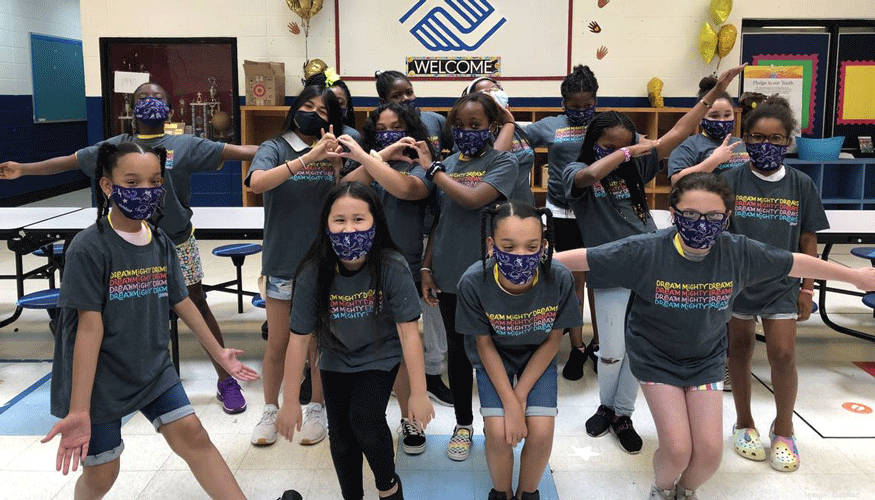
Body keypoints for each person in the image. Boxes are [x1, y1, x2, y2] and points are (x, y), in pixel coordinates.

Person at [555, 172, 875, 500]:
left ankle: (685, 491)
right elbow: (586, 258)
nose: (701, 224)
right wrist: (537, 263)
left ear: (728, 219)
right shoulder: (649, 249)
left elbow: (795, 263)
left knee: (709, 455)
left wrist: (854, 277)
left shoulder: (738, 252)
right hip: (654, 355)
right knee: (678, 449)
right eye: (690, 215)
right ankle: (661, 490)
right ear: (673, 214)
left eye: (713, 217)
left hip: (705, 358)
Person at [0, 82, 257, 414]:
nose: (151, 102)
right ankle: (127, 383)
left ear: (170, 107)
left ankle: (226, 381)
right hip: (124, 245)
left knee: (196, 305)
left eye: (158, 97)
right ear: (131, 108)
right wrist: (23, 170)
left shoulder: (185, 144)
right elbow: (67, 161)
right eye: (143, 98)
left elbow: (240, 152)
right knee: (121, 312)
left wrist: (291, 154)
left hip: (176, 242)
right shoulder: (113, 147)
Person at [42, 142, 258, 500]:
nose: (145, 191)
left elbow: (182, 300)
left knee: (194, 435)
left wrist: (219, 353)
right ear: (108, 186)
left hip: (152, 367)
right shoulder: (87, 248)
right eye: (132, 181)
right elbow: (88, 328)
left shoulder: (159, 239)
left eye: (154, 181)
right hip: (99, 381)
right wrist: (79, 409)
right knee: (102, 474)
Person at [560, 64, 746, 455]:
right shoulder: (576, 170)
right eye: (608, 146)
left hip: (651, 265)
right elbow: (590, 173)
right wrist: (630, 148)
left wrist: (716, 90)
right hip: (610, 270)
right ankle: (606, 406)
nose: (616, 154)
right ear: (594, 142)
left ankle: (620, 412)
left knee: (638, 348)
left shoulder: (635, 168)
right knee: (611, 350)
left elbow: (678, 132)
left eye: (622, 146)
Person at [275, 182, 434, 500]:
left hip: (380, 354)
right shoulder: (312, 271)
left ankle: (389, 488)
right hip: (335, 357)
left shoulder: (391, 266)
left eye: (359, 219)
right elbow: (298, 340)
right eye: (340, 220)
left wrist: (418, 392)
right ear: (326, 224)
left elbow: (408, 333)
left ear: (376, 221)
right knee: (342, 437)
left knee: (364, 418)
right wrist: (291, 400)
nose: (349, 230)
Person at [336, 101, 452, 455]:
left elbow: (404, 189)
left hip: (403, 268)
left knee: (404, 345)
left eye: (396, 126)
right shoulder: (373, 164)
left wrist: (370, 157)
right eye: (382, 127)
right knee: (382, 348)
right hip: (362, 268)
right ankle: (386, 414)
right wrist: (377, 157)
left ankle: (411, 420)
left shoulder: (422, 167)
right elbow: (341, 187)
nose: (390, 132)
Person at [724, 95, 829, 472]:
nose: (765, 145)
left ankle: (784, 429)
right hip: (737, 284)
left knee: (783, 355)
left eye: (775, 139)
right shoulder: (730, 179)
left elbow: (808, 241)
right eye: (756, 137)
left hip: (783, 284)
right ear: (745, 139)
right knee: (739, 350)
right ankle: (743, 422)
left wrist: (807, 288)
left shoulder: (801, 184)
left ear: (788, 142)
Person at [456, 201, 582, 500]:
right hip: (495, 359)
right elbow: (483, 345)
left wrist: (519, 397)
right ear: (491, 245)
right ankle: (501, 493)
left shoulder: (560, 278)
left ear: (544, 245)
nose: (520, 257)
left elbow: (553, 341)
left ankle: (528, 493)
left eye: (531, 247)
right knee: (498, 433)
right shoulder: (474, 282)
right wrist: (510, 406)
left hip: (538, 357)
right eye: (508, 247)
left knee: (540, 432)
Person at [420, 92, 518, 461]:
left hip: (490, 276)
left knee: (495, 350)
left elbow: (474, 199)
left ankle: (502, 417)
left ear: (492, 128)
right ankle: (463, 424)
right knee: (459, 355)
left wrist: (434, 172)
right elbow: (441, 220)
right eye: (458, 126)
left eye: (475, 125)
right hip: (448, 274)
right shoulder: (446, 163)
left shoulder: (504, 161)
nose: (466, 132)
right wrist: (428, 268)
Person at [246, 85, 344, 447]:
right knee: (280, 341)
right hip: (282, 262)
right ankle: (270, 409)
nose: (314, 114)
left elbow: (337, 202)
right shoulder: (275, 147)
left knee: (318, 341)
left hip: (320, 263)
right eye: (308, 106)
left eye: (323, 111)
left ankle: (316, 407)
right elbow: (256, 183)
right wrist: (308, 157)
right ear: (294, 109)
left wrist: (333, 167)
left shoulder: (331, 149)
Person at [524, 65, 601, 380]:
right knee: (571, 282)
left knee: (598, 278)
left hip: (596, 213)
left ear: (596, 101)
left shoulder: (605, 123)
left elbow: (636, 144)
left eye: (587, 105)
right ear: (563, 104)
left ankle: (600, 343)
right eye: (574, 106)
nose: (582, 111)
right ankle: (577, 346)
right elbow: (515, 134)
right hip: (560, 213)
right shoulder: (549, 126)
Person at [462, 77, 535, 203]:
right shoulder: (472, 136)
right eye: (486, 93)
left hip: (524, 207)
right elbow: (497, 161)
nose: (493, 94)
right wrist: (508, 122)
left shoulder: (519, 131)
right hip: (496, 210)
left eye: (496, 89)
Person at [667, 76, 749, 185]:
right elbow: (676, 181)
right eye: (714, 116)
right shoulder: (690, 146)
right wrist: (714, 160)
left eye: (727, 115)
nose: (722, 120)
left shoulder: (743, 144)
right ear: (700, 117)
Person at [374, 70, 453, 153]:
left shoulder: (435, 120)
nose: (406, 98)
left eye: (409, 92)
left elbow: (458, 153)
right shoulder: (379, 129)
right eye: (396, 96)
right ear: (383, 102)